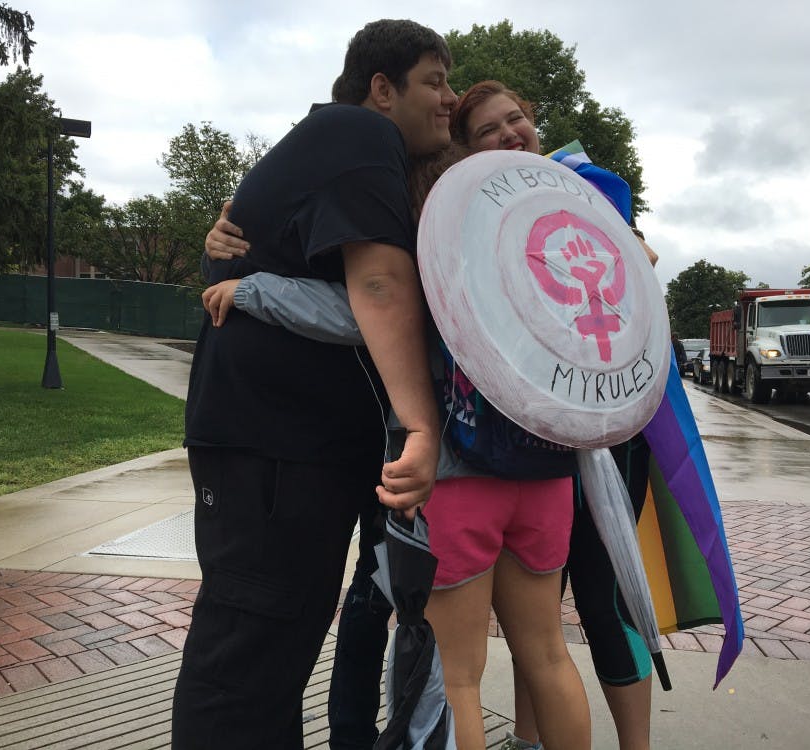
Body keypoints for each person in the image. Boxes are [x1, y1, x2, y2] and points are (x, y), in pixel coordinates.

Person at [206, 80, 662, 750]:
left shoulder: (445, 244)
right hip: (546, 478)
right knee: (549, 659)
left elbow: (360, 311)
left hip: (457, 476)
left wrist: (258, 290)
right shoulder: (557, 245)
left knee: (459, 681)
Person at [171, 20, 457, 749]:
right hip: (277, 447)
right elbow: (379, 281)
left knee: (274, 658)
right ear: (381, 89)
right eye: (435, 81)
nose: (448, 99)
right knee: (245, 664)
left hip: (293, 451)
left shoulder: (345, 149)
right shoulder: (360, 137)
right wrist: (422, 426)